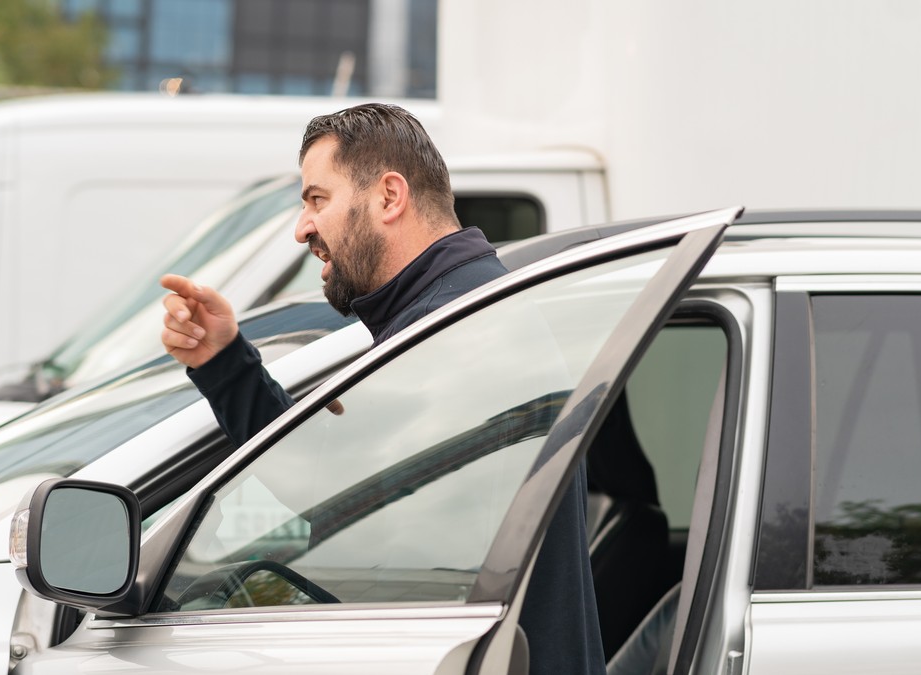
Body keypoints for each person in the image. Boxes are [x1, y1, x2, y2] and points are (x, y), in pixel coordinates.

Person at [160, 103, 606, 674]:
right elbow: (340, 478)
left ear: (389, 197)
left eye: (317, 199)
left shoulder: (456, 330)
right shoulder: (457, 311)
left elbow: (334, 499)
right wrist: (222, 361)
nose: (302, 227)